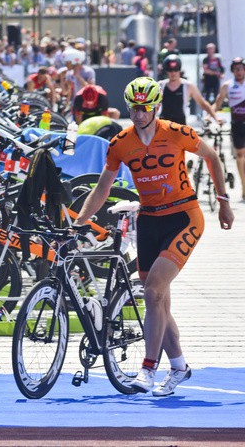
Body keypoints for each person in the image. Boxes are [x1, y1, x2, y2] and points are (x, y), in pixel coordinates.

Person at [76, 77, 234, 396]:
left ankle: (148, 368)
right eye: (133, 108)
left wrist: (223, 201)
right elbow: (103, 187)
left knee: (152, 291)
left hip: (184, 218)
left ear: (156, 106)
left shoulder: (177, 132)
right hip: (148, 220)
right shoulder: (120, 143)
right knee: (158, 299)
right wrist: (79, 221)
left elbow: (213, 157)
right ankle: (179, 367)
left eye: (145, 108)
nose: (138, 114)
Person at [213, 56, 245, 200]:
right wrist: (211, 116)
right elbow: (218, 103)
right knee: (240, 156)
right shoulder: (227, 85)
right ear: (232, 71)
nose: (239, 72)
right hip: (237, 124)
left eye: (241, 69)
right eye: (236, 69)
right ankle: (243, 186)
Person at [158, 55, 218, 125]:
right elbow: (150, 105)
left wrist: (216, 118)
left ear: (180, 70)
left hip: (180, 125)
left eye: (176, 69)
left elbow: (203, 103)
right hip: (163, 126)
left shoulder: (188, 86)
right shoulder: (160, 85)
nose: (173, 73)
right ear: (166, 71)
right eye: (170, 70)